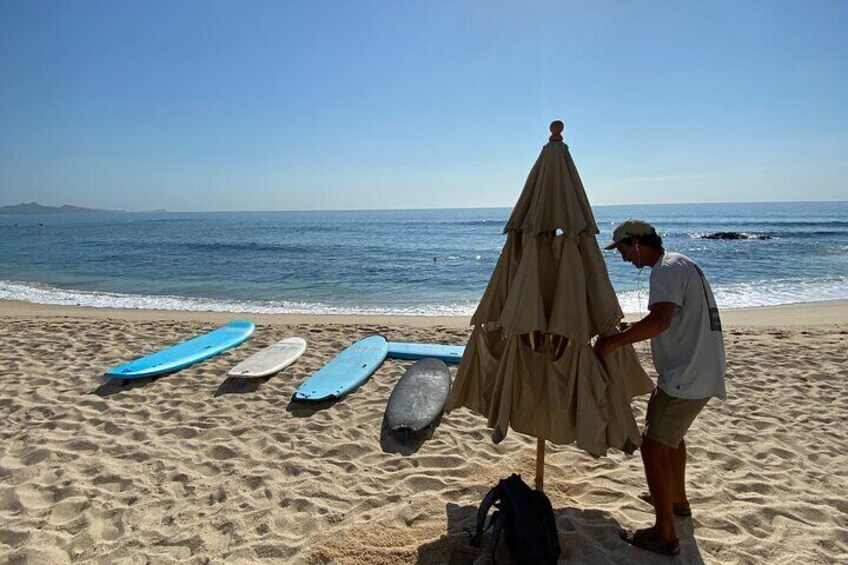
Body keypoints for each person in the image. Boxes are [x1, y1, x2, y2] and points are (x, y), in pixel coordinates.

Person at [594, 219, 726, 557]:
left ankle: (664, 534)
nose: (623, 258)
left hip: (687, 375)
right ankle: (677, 500)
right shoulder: (680, 263)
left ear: (637, 243)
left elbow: (661, 320)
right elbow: (669, 317)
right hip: (697, 369)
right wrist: (626, 329)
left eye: (623, 250)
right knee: (672, 438)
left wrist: (612, 344)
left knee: (652, 446)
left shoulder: (663, 271)